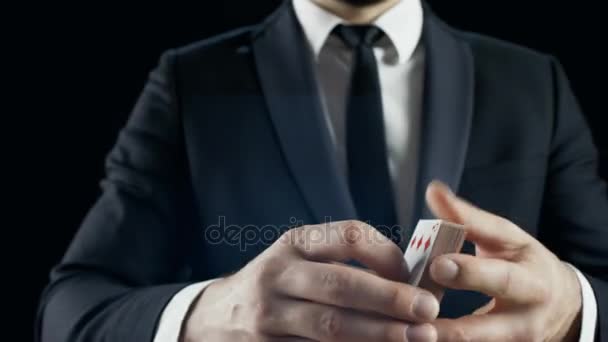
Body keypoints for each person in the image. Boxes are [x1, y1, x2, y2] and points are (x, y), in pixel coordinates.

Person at [36, 0, 607, 341]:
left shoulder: (534, 82)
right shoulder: (192, 84)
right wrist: (211, 315)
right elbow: (71, 308)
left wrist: (577, 309)